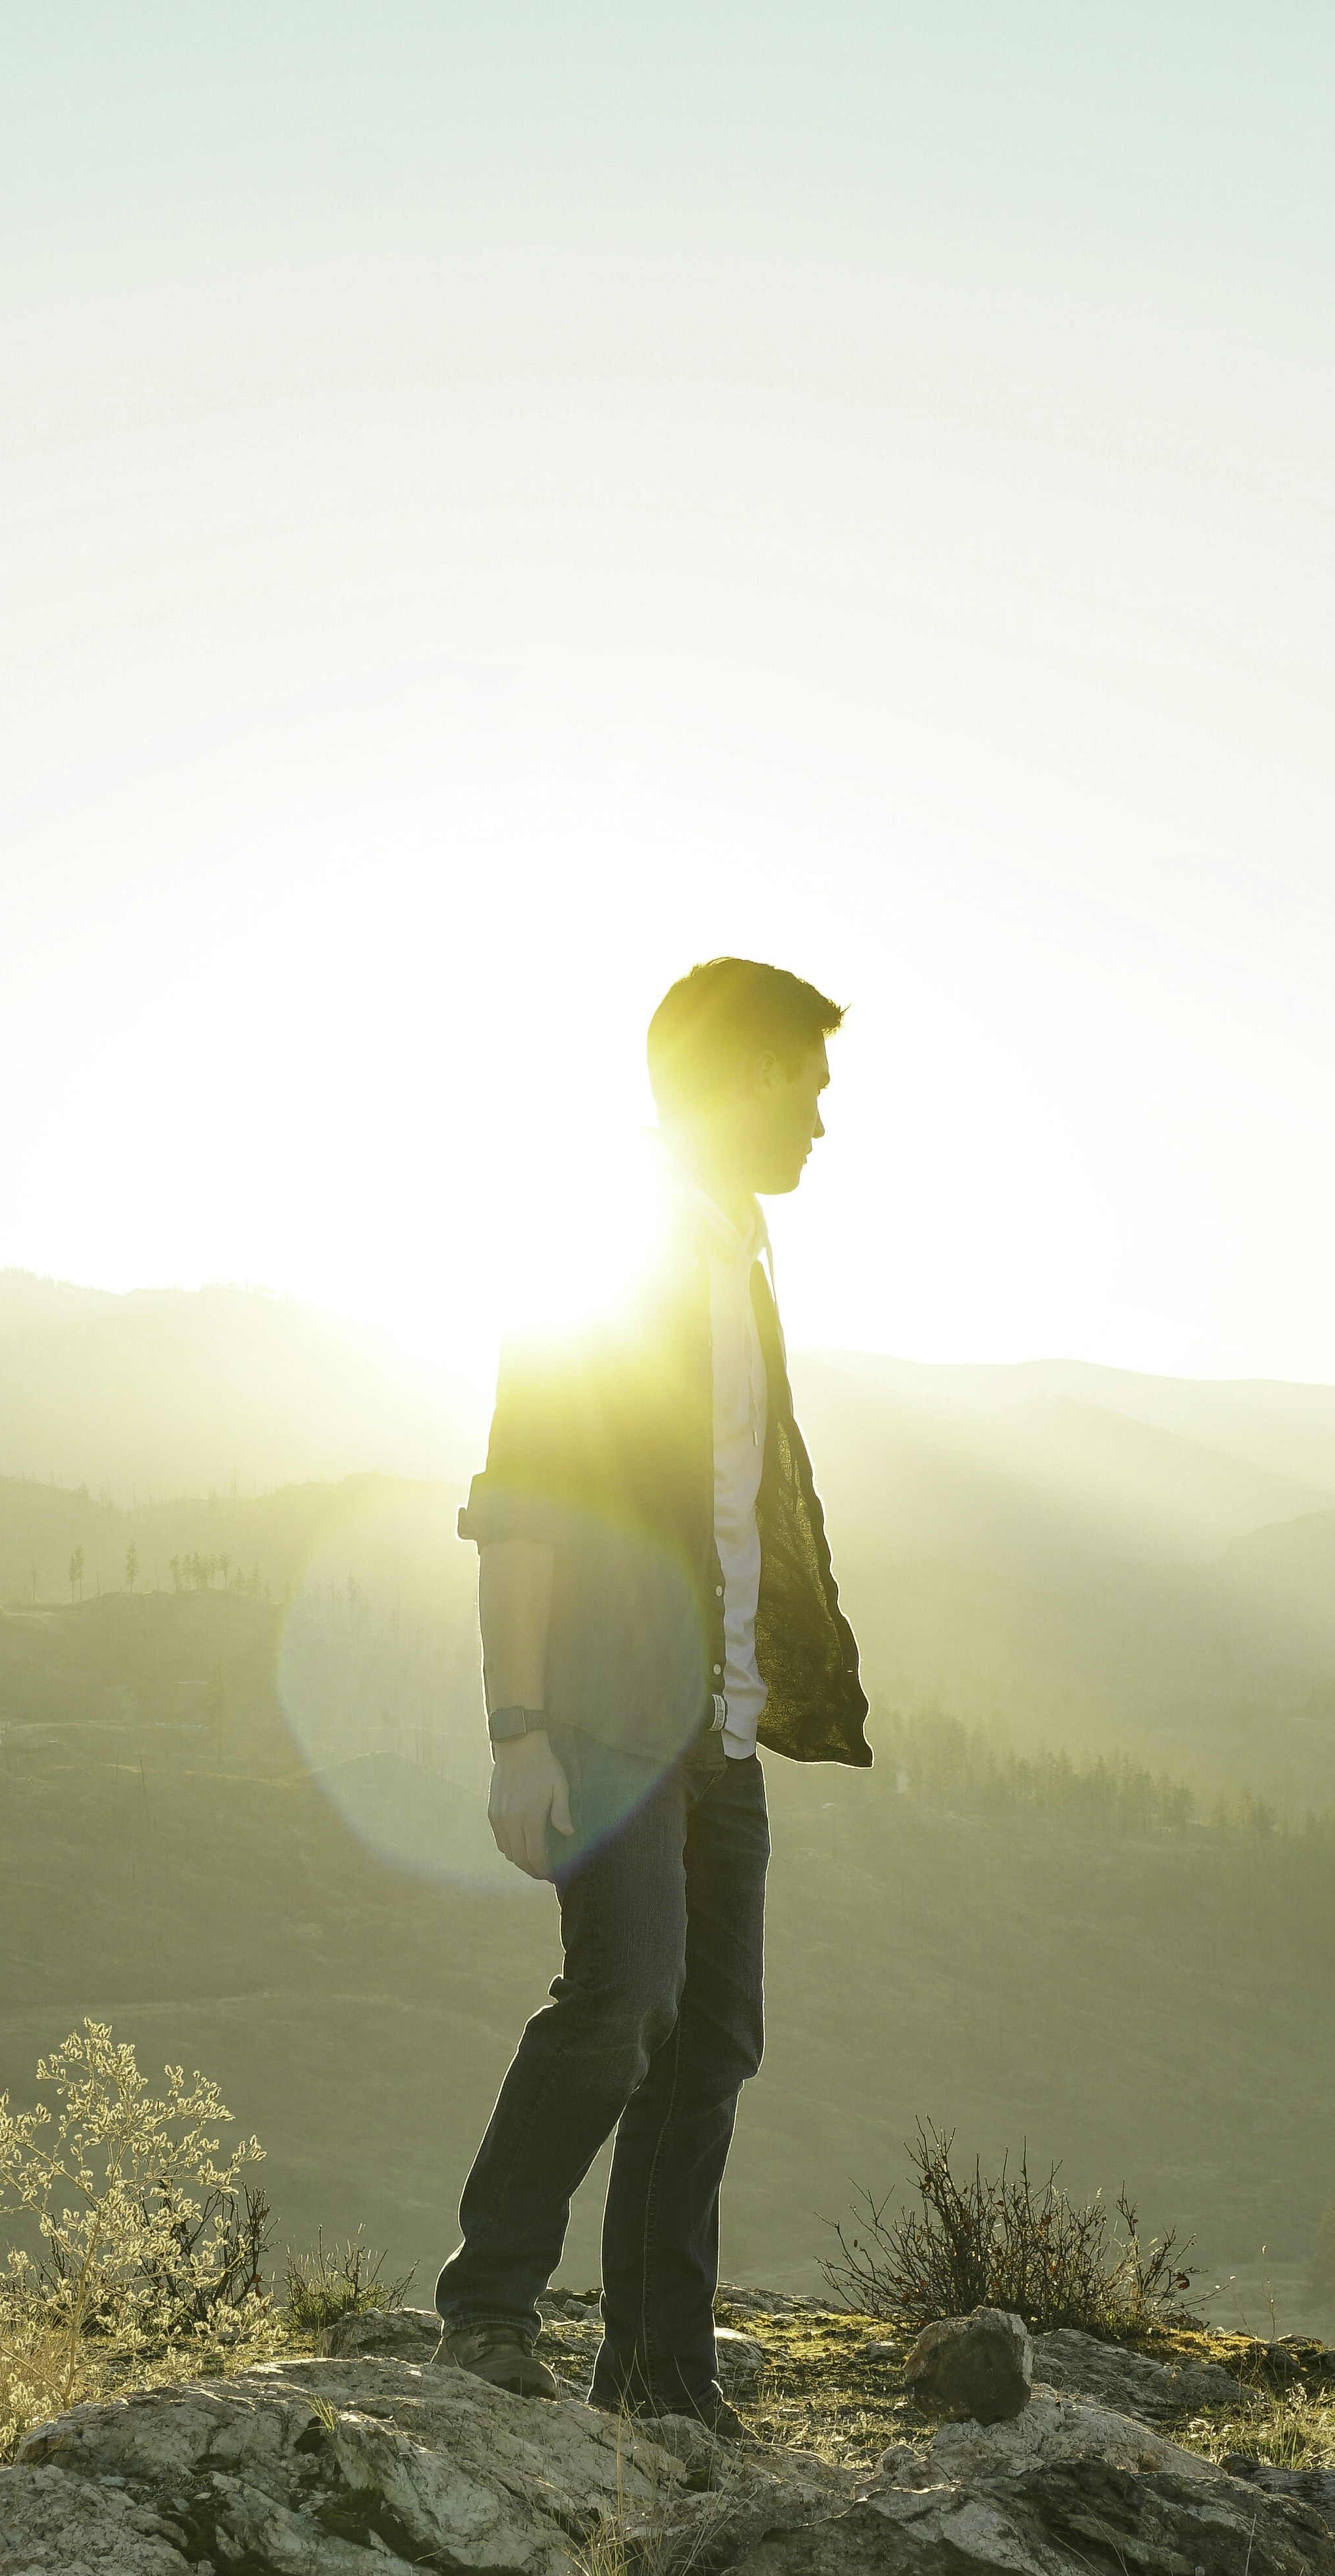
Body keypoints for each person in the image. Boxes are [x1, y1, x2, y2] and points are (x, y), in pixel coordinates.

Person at [433, 956, 871, 2429]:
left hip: (719, 1725)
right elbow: (523, 1511)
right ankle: (486, 2314)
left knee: (711, 2043)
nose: (822, 1118)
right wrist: (517, 1734)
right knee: (621, 2003)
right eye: (808, 1085)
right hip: (614, 1722)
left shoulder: (736, 1256)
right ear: (744, 1078)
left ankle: (657, 2374)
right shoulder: (603, 1253)